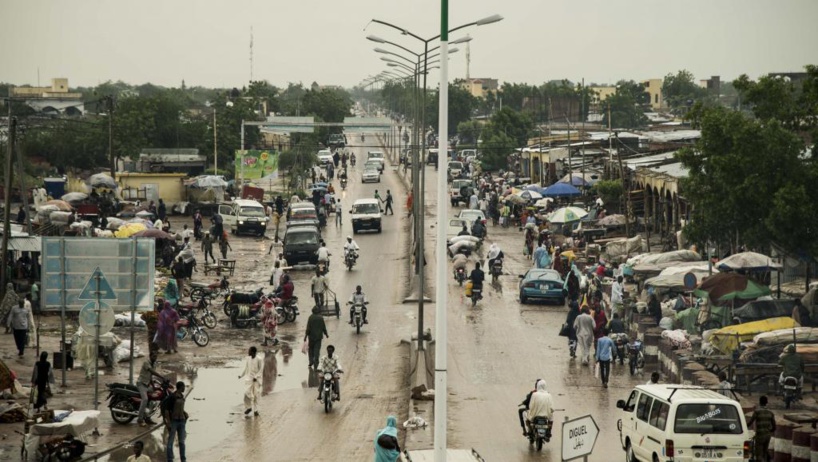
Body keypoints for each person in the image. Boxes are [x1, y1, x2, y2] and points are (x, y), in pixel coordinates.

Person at [163, 381, 188, 462]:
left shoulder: (181, 396)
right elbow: (167, 411)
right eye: (183, 387)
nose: (184, 388)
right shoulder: (172, 397)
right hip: (174, 421)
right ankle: (170, 459)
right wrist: (169, 423)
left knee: (182, 442)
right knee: (170, 442)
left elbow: (180, 408)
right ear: (180, 387)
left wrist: (184, 413)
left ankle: (183, 459)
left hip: (181, 421)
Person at [137, 351, 164, 426]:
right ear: (150, 356)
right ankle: (140, 419)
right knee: (145, 399)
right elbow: (151, 371)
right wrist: (162, 377)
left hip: (148, 384)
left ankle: (148, 417)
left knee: (155, 395)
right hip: (141, 384)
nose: (155, 358)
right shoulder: (146, 362)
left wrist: (154, 386)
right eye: (154, 356)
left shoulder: (154, 363)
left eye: (156, 356)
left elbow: (150, 376)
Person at [747, 396, 776, 462]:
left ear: (759, 402)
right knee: (764, 453)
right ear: (766, 402)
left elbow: (750, 422)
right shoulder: (770, 412)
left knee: (759, 454)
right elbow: (774, 427)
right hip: (767, 435)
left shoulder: (757, 411)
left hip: (760, 435)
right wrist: (768, 431)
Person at [239, 346, 263, 417]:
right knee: (246, 393)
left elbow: (261, 369)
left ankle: (255, 410)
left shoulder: (259, 359)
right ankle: (249, 407)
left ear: (253, 352)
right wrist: (241, 375)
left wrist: (256, 376)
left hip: (257, 380)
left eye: (249, 351)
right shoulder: (248, 359)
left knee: (256, 395)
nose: (248, 352)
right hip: (249, 379)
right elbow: (246, 368)